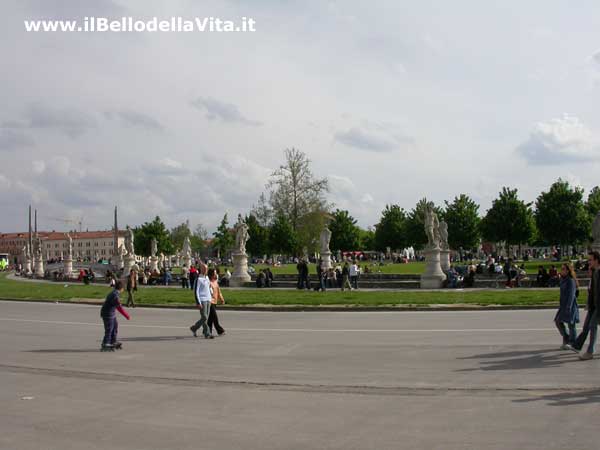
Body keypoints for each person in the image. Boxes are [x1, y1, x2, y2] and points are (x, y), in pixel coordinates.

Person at [575, 252, 600, 360]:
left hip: (599, 305)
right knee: (588, 326)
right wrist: (589, 304)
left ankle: (590, 351)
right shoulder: (594, 272)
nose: (589, 262)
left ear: (596, 260)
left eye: (590, 260)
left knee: (592, 326)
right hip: (594, 305)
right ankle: (577, 346)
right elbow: (593, 290)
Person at [554, 263, 579, 350]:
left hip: (570, 305)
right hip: (563, 305)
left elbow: (571, 295)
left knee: (571, 324)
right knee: (558, 321)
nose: (562, 270)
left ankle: (573, 342)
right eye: (561, 269)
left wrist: (568, 307)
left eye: (563, 269)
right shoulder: (563, 280)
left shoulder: (570, 281)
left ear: (568, 271)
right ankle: (566, 337)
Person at [100, 281, 130, 351]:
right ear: (122, 288)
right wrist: (126, 315)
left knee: (115, 327)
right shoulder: (114, 295)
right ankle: (106, 343)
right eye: (124, 288)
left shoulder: (115, 293)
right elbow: (119, 308)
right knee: (109, 329)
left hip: (111, 313)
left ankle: (113, 341)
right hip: (107, 314)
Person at [190, 263, 214, 339]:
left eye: (206, 269)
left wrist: (212, 293)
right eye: (204, 269)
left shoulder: (207, 278)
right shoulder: (198, 279)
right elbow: (196, 291)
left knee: (206, 318)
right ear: (201, 269)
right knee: (204, 317)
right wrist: (198, 302)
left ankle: (196, 328)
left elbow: (209, 287)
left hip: (208, 299)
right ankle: (207, 333)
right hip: (202, 300)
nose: (206, 270)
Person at [207, 268, 226, 336]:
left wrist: (221, 299)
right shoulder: (208, 282)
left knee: (210, 318)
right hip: (209, 302)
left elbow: (218, 292)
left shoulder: (215, 282)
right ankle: (220, 330)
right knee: (214, 317)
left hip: (214, 302)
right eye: (215, 273)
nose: (216, 274)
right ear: (211, 274)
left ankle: (207, 331)